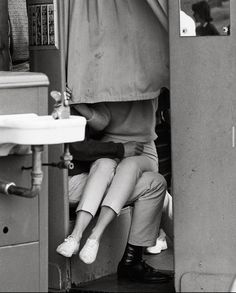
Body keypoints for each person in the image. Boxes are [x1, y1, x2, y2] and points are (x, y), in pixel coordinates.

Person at [57, 93, 164, 265]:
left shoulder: (145, 87)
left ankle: (92, 237)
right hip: (88, 168)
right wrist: (77, 103)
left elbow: (100, 123)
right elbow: (97, 126)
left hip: (137, 150)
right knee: (150, 183)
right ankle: (78, 236)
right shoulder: (88, 90)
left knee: (133, 172)